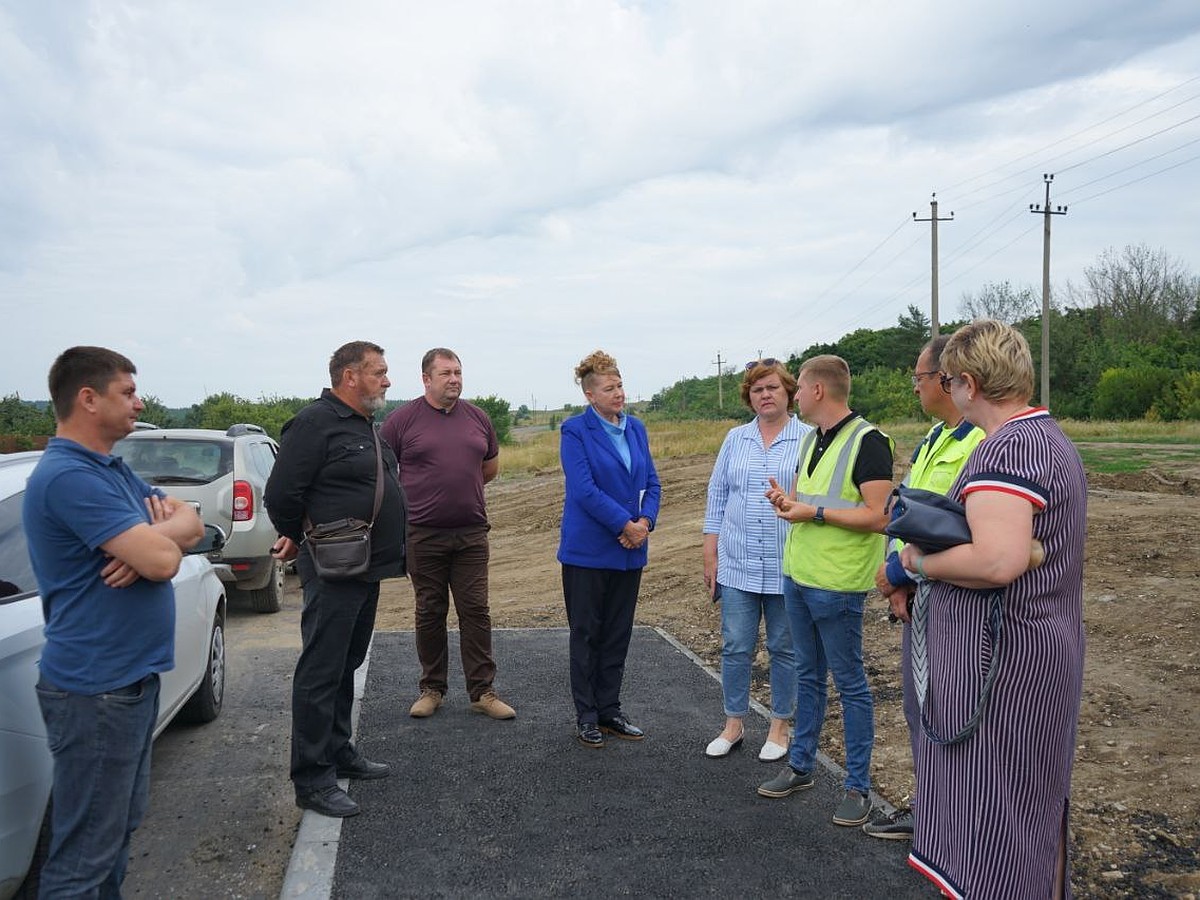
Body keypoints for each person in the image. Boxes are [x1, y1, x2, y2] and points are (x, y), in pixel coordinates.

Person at [899, 320, 1086, 899]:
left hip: (1002, 667)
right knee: (1027, 805)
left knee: (998, 814)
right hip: (1032, 651)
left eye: (950, 380)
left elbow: (999, 561)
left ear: (970, 384)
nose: (949, 392)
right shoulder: (1046, 436)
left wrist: (918, 564)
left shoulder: (1008, 448)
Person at [23, 346, 204, 895]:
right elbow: (164, 560)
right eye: (126, 392)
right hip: (95, 688)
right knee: (84, 858)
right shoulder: (68, 478)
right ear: (88, 398)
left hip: (125, 682)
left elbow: (192, 523)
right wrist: (148, 545)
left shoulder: (110, 470)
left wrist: (154, 538)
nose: (139, 401)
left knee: (115, 835)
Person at [265, 341, 408, 819]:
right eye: (379, 372)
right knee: (321, 669)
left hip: (365, 567)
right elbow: (282, 492)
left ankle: (339, 750)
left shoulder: (366, 424)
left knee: (346, 661)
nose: (387, 380)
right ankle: (311, 777)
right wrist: (298, 535)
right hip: (333, 566)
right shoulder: (313, 423)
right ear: (350, 377)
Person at [757, 354, 893, 829]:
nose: (793, 396)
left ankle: (857, 788)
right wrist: (788, 503)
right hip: (799, 576)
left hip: (837, 586)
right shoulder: (812, 439)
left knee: (851, 684)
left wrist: (810, 514)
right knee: (809, 678)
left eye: (799, 389)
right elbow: (811, 502)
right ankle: (801, 766)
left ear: (817, 391)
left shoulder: (869, 441)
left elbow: (880, 515)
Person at [862, 336, 984, 841]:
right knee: (920, 707)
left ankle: (960, 821)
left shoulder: (982, 443)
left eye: (919, 377)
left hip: (954, 599)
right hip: (917, 596)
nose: (914, 387)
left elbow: (965, 532)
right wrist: (896, 578)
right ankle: (931, 811)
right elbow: (906, 512)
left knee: (954, 709)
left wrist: (902, 573)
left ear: (947, 379)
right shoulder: (934, 437)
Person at [380, 348, 515, 721]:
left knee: (475, 610)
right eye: (446, 373)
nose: (454, 379)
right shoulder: (401, 421)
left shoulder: (478, 418)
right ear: (426, 379)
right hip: (423, 535)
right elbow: (383, 473)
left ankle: (483, 692)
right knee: (430, 611)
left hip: (471, 532)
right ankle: (432, 689)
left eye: (458, 372)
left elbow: (488, 468)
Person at [702, 359, 809, 760]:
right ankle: (733, 723)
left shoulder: (808, 437)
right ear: (749, 397)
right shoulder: (735, 439)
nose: (765, 395)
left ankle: (780, 726)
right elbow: (717, 497)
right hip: (738, 563)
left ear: (788, 393)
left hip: (787, 565)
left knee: (784, 647)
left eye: (773, 388)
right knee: (735, 645)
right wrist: (711, 553)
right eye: (757, 389)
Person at [558, 350, 662, 748]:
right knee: (587, 633)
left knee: (617, 633)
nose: (618, 393)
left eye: (620, 385)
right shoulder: (575, 431)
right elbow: (584, 490)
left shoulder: (636, 428)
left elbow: (652, 481)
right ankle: (586, 714)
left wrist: (645, 524)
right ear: (590, 395)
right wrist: (625, 524)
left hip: (629, 550)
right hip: (589, 551)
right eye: (609, 387)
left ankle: (610, 709)